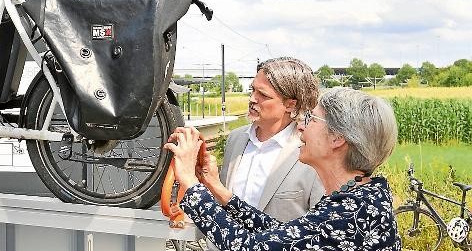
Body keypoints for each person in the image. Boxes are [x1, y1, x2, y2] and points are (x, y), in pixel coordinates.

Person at [166, 87, 401, 250]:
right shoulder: (362, 200)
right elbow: (285, 236)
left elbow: (251, 248)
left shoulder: (348, 216)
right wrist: (218, 189)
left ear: (338, 138)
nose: (301, 129)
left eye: (311, 120)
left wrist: (189, 179)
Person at [221, 57, 323, 222]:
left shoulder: (310, 151)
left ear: (290, 105)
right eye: (252, 90)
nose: (252, 99)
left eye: (263, 94)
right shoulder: (235, 139)